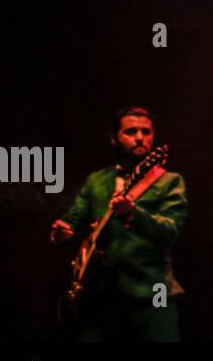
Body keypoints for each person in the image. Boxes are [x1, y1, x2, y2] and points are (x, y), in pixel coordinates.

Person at [49, 106, 186, 341]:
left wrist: (134, 214)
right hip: (102, 292)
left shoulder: (169, 181)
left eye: (146, 131)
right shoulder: (96, 181)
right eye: (131, 131)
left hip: (155, 290)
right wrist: (62, 229)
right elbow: (75, 216)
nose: (140, 137)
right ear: (114, 139)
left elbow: (170, 231)